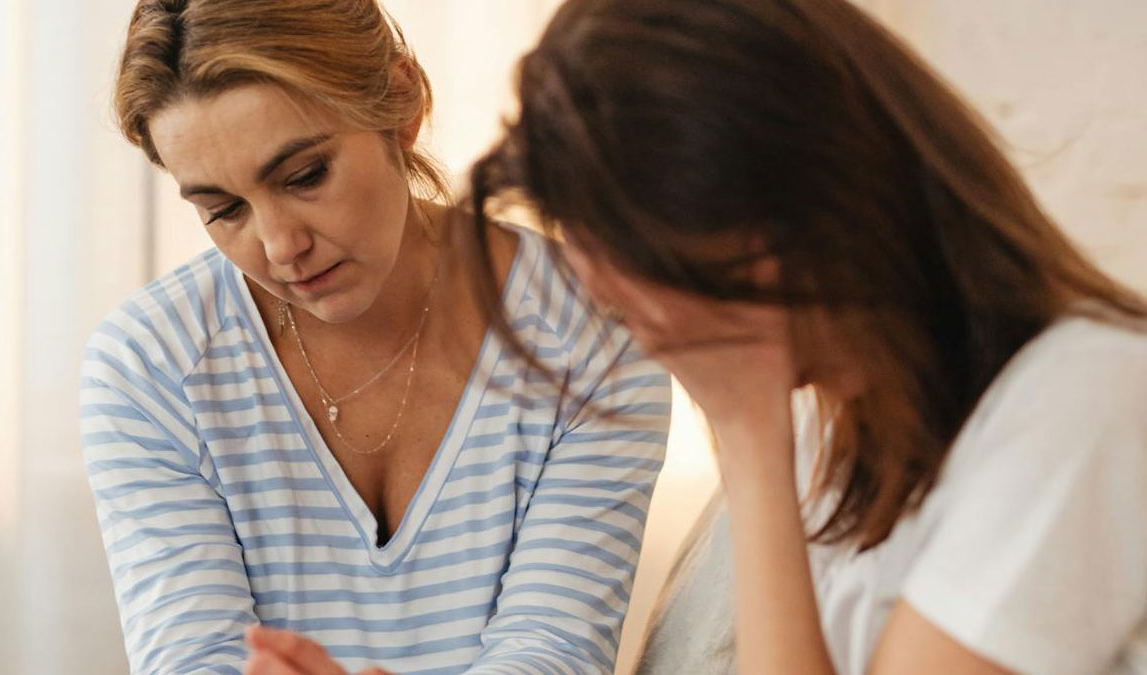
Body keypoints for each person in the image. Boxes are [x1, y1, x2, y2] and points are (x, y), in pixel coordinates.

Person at [465, 0, 1147, 673]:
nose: (654, 349)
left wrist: (749, 436)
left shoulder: (1085, 400)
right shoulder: (845, 427)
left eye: (654, 303)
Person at [80, 1, 672, 673]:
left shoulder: (592, 329)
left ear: (401, 101)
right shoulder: (150, 366)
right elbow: (195, 661)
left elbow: (554, 652)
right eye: (223, 209)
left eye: (305, 176)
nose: (281, 247)